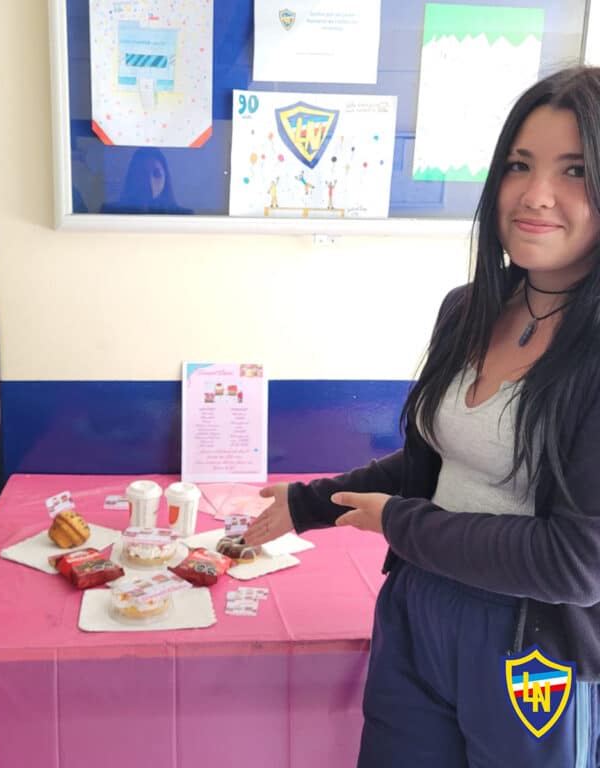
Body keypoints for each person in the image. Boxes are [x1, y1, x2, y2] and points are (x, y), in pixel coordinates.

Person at [245, 66, 600, 767]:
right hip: (418, 602)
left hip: (533, 647)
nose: (536, 194)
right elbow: (430, 465)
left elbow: (574, 563)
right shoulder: (468, 309)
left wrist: (399, 523)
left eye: (575, 171)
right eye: (519, 165)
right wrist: (307, 503)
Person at [100, 147, 192, 214]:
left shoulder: (183, 218)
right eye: (142, 174)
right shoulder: (110, 213)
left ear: (166, 179)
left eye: (156, 174)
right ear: (132, 176)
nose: (150, 181)